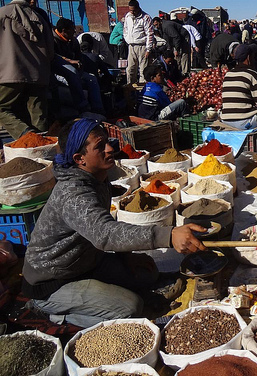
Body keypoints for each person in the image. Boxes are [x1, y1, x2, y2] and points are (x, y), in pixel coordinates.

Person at [21, 119, 206, 328]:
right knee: (130, 308)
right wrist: (168, 235)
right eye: (100, 146)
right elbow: (105, 234)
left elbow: (105, 225)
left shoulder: (98, 177)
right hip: (53, 282)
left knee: (148, 273)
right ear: (79, 158)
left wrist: (126, 256)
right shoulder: (73, 193)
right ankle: (54, 313)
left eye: (107, 142)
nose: (110, 149)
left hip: (86, 262)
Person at [0, 0, 55, 139]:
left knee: (2, 108)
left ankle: (28, 136)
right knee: (38, 117)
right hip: (38, 75)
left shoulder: (3, 13)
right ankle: (44, 151)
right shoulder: (39, 18)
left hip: (10, 74)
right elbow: (50, 51)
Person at [123, 0, 154, 84]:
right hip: (131, 46)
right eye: (130, 10)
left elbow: (150, 34)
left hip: (142, 46)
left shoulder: (146, 17)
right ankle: (130, 90)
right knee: (130, 69)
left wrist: (148, 49)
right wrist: (127, 39)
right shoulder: (128, 16)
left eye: (133, 10)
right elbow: (125, 29)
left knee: (143, 70)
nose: (132, 12)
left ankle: (142, 91)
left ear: (138, 8)